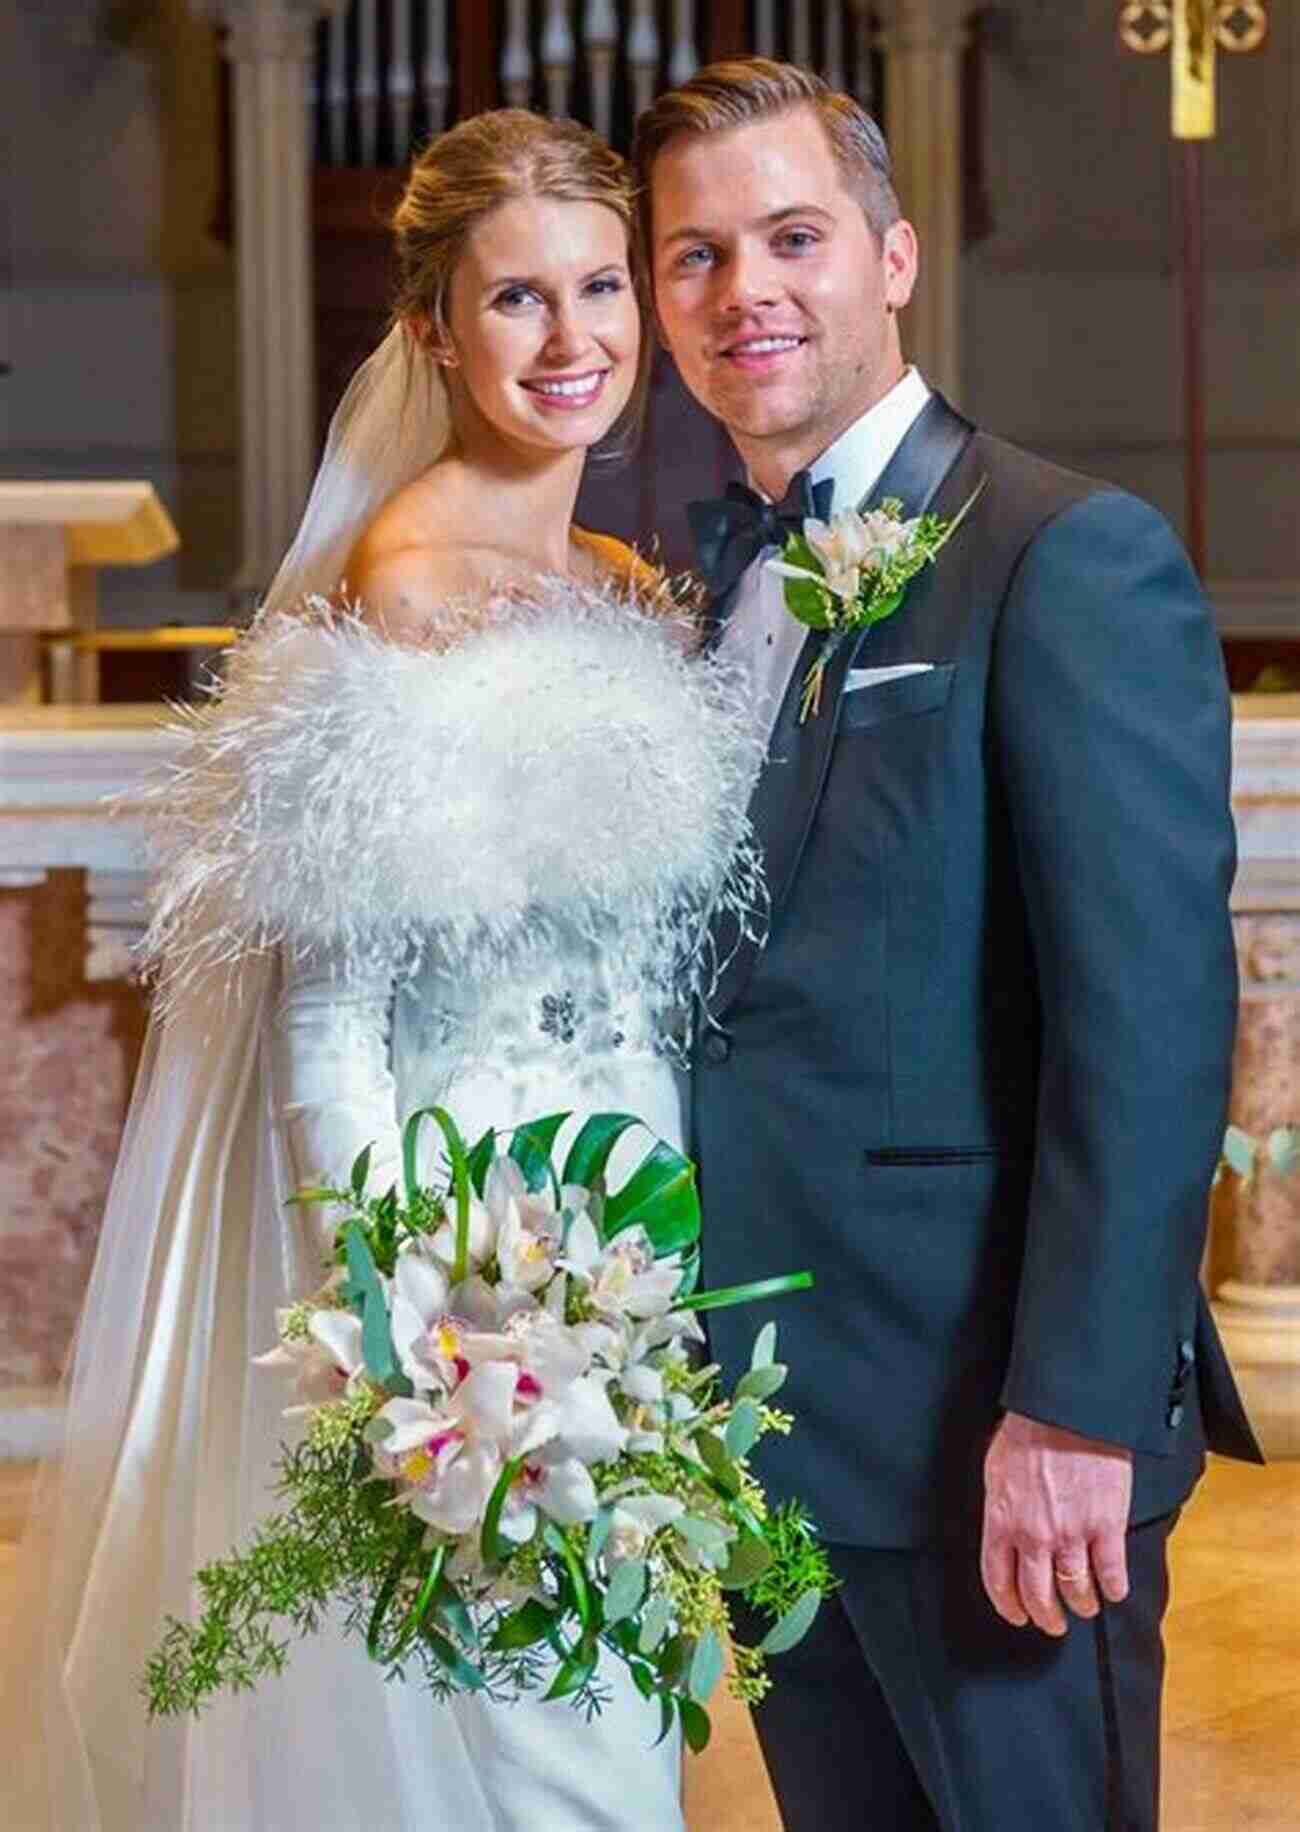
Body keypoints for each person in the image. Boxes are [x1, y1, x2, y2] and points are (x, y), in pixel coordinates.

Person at [1, 110, 763, 1830]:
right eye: (516, 301)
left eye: (599, 287)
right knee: (541, 1747)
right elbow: (333, 1019)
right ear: (431, 328)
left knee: (612, 1706)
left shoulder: (631, 587)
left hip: (640, 1232)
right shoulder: (405, 585)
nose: (572, 342)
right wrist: (405, 1318)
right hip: (480, 1262)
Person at [635, 57, 1263, 1831]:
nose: (742, 290)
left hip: (987, 1430)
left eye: (792, 236)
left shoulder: (1068, 557)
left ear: (894, 258)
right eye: (693, 255)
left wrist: (1068, 1410)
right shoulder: (705, 598)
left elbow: (1144, 1028)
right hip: (761, 1429)